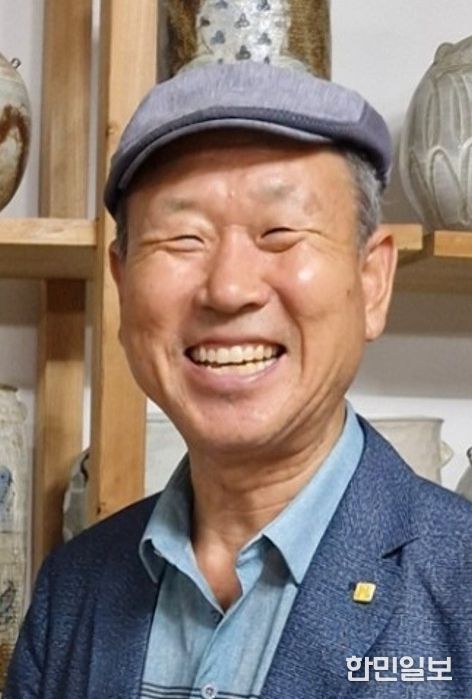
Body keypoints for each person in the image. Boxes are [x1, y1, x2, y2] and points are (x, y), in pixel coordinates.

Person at [6, 61, 472, 699]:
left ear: (372, 282)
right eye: (181, 238)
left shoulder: (458, 582)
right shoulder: (74, 590)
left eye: (279, 233)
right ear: (120, 284)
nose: (228, 288)